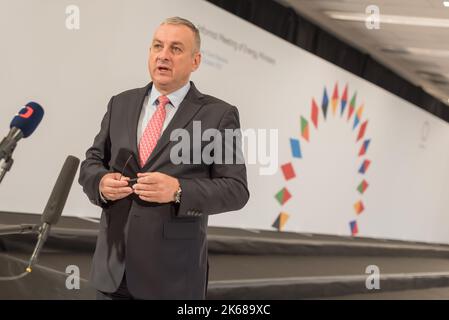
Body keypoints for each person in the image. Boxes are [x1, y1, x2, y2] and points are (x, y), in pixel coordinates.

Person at [78, 17, 249, 300]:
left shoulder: (218, 115)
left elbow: (236, 189)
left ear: (195, 61)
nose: (163, 55)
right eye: (158, 46)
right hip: (112, 271)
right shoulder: (120, 103)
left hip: (172, 279)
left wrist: (179, 190)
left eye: (176, 49)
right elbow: (91, 163)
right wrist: (100, 182)